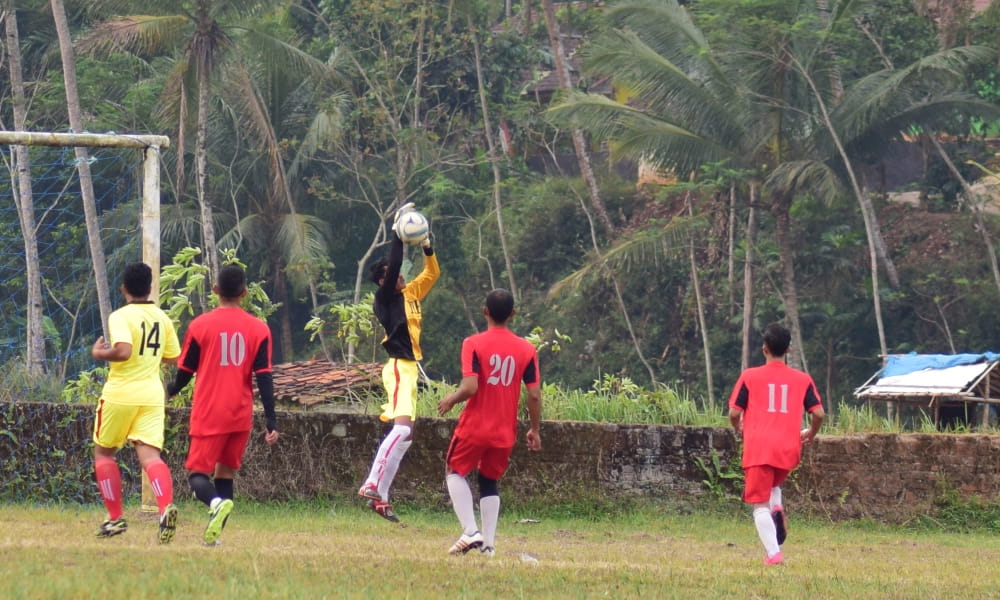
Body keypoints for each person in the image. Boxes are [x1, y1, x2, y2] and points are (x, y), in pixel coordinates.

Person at [166, 264, 279, 546]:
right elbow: (264, 378)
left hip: (209, 412)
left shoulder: (200, 325)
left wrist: (168, 391)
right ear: (245, 293)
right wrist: (271, 422)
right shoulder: (259, 329)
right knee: (225, 473)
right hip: (240, 415)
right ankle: (215, 537)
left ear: (215, 290)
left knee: (197, 476)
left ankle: (215, 504)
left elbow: (185, 372)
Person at [437, 288, 542, 556]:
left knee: (455, 471)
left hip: (475, 426)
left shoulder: (473, 343)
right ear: (513, 314)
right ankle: (489, 547)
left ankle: (471, 531)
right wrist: (534, 429)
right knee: (489, 480)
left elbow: (471, 386)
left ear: (485, 311)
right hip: (504, 431)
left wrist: (451, 398)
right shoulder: (527, 349)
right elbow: (533, 394)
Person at [358, 203, 440, 522]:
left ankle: (382, 497)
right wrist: (397, 235)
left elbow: (432, 272)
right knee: (401, 429)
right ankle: (372, 483)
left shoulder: (411, 293)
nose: (400, 276)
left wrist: (427, 246)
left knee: (405, 435)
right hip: (397, 367)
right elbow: (393, 265)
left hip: (410, 367)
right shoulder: (386, 298)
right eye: (392, 275)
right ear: (382, 281)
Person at [91, 262, 181, 544]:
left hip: (121, 393)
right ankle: (165, 508)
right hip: (152, 395)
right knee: (150, 457)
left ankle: (115, 517)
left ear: (124, 288)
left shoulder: (121, 316)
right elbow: (172, 356)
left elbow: (124, 350)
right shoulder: (161, 317)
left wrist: (99, 353)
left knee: (104, 454)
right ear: (150, 287)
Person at [728, 323, 825, 565]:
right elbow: (819, 413)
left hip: (759, 448)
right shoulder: (802, 379)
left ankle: (773, 554)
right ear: (788, 350)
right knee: (772, 485)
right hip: (788, 449)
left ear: (764, 348)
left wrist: (738, 428)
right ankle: (777, 507)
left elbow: (733, 412)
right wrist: (811, 433)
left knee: (758, 504)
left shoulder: (750, 377)